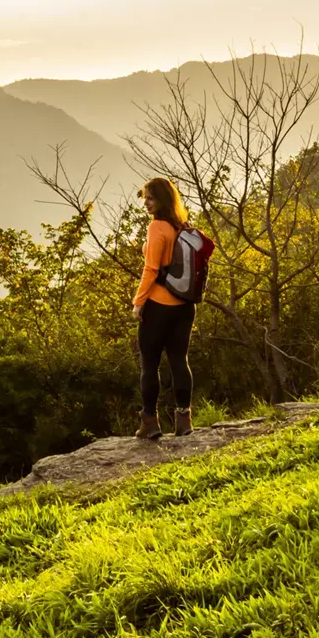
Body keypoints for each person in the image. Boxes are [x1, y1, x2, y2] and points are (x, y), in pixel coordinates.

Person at [132, 176, 195, 440]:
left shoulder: (157, 227)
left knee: (150, 364)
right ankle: (184, 421)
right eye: (145, 197)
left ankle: (150, 423)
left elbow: (151, 269)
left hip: (159, 305)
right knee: (180, 361)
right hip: (184, 305)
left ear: (162, 199)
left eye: (151, 198)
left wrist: (139, 302)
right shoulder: (182, 225)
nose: (146, 203)